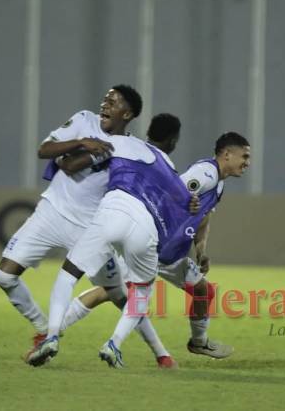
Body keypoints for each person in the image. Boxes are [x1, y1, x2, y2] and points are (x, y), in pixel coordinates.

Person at [0, 86, 177, 368]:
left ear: (126, 114)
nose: (104, 103)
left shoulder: (127, 147)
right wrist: (83, 141)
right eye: (105, 98)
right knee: (3, 277)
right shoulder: (84, 120)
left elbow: (72, 165)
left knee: (118, 294)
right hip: (51, 212)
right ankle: (44, 328)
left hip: (90, 225)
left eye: (112, 102)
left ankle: (161, 353)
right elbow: (45, 151)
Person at [60, 132, 251, 359]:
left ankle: (198, 343)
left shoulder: (218, 184)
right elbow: (171, 193)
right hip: (151, 244)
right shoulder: (205, 173)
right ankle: (54, 331)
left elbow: (204, 215)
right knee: (109, 292)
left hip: (172, 253)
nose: (247, 163)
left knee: (202, 291)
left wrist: (200, 250)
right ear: (227, 154)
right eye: (244, 156)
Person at [25, 134, 195, 368]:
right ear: (173, 143)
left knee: (77, 278)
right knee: (134, 295)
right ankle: (128, 348)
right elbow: (184, 205)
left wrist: (69, 154)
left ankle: (51, 335)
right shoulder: (167, 167)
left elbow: (69, 164)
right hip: (142, 230)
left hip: (108, 218)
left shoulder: (120, 143)